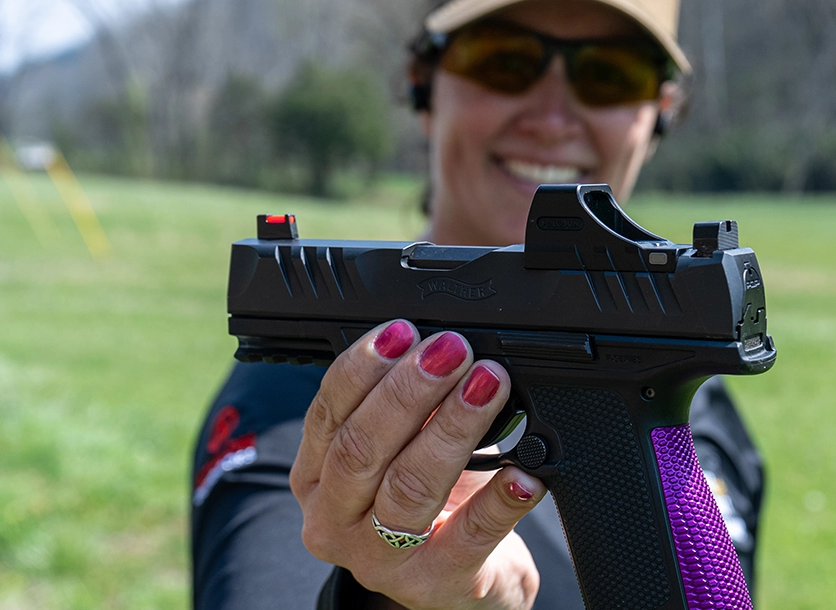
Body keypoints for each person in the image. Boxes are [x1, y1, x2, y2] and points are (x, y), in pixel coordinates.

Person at [191, 1, 764, 608]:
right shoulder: (306, 400)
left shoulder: (698, 399)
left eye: (610, 74)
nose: (551, 117)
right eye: (502, 61)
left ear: (661, 112)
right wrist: (387, 600)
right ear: (423, 84)